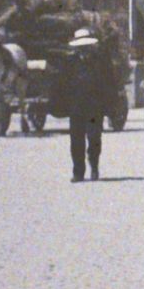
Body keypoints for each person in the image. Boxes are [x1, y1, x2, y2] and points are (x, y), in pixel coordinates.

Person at [63, 28, 110, 182]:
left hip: (94, 108)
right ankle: (78, 172)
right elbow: (63, 85)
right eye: (81, 47)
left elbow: (108, 83)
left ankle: (94, 166)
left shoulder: (100, 62)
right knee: (76, 141)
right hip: (76, 107)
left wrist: (107, 106)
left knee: (94, 138)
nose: (84, 50)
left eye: (86, 47)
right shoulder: (70, 63)